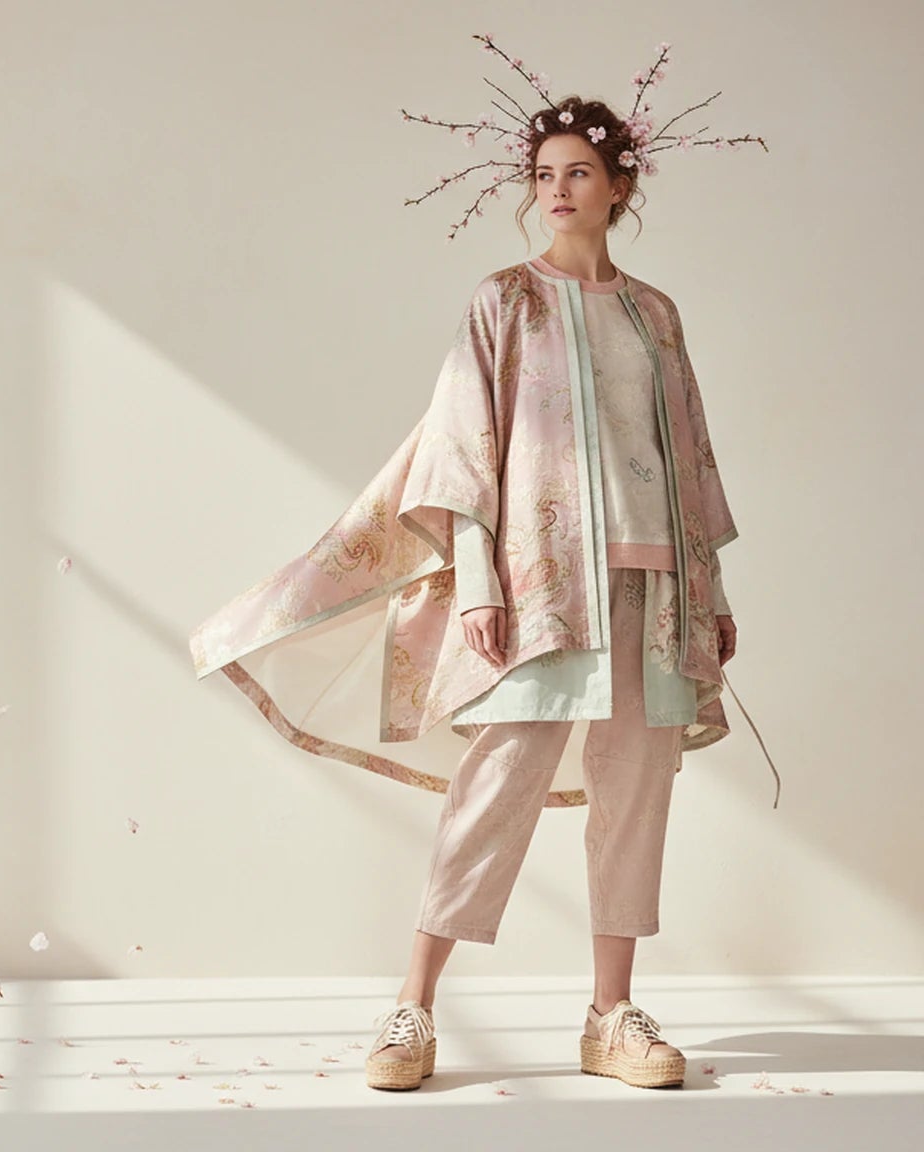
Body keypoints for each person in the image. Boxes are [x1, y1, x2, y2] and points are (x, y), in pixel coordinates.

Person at [187, 73, 779, 1093]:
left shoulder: (655, 314)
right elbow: (463, 452)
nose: (557, 190)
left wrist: (712, 596)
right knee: (496, 786)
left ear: (617, 186)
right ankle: (412, 1008)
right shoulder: (502, 301)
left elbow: (688, 456)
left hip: (655, 587)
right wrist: (476, 585)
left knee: (636, 794)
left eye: (577, 173)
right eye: (543, 175)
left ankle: (610, 1016)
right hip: (541, 587)